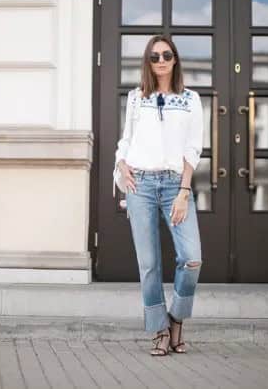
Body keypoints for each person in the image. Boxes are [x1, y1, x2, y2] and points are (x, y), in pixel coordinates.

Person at [114, 35, 203, 356]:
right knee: (149, 263)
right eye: (155, 56)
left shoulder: (191, 99)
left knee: (192, 258)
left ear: (175, 59)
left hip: (175, 184)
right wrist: (121, 164)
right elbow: (127, 139)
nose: (161, 60)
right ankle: (159, 330)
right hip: (140, 183)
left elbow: (194, 148)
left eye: (167, 55)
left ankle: (176, 318)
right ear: (148, 62)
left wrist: (183, 190)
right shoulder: (137, 98)